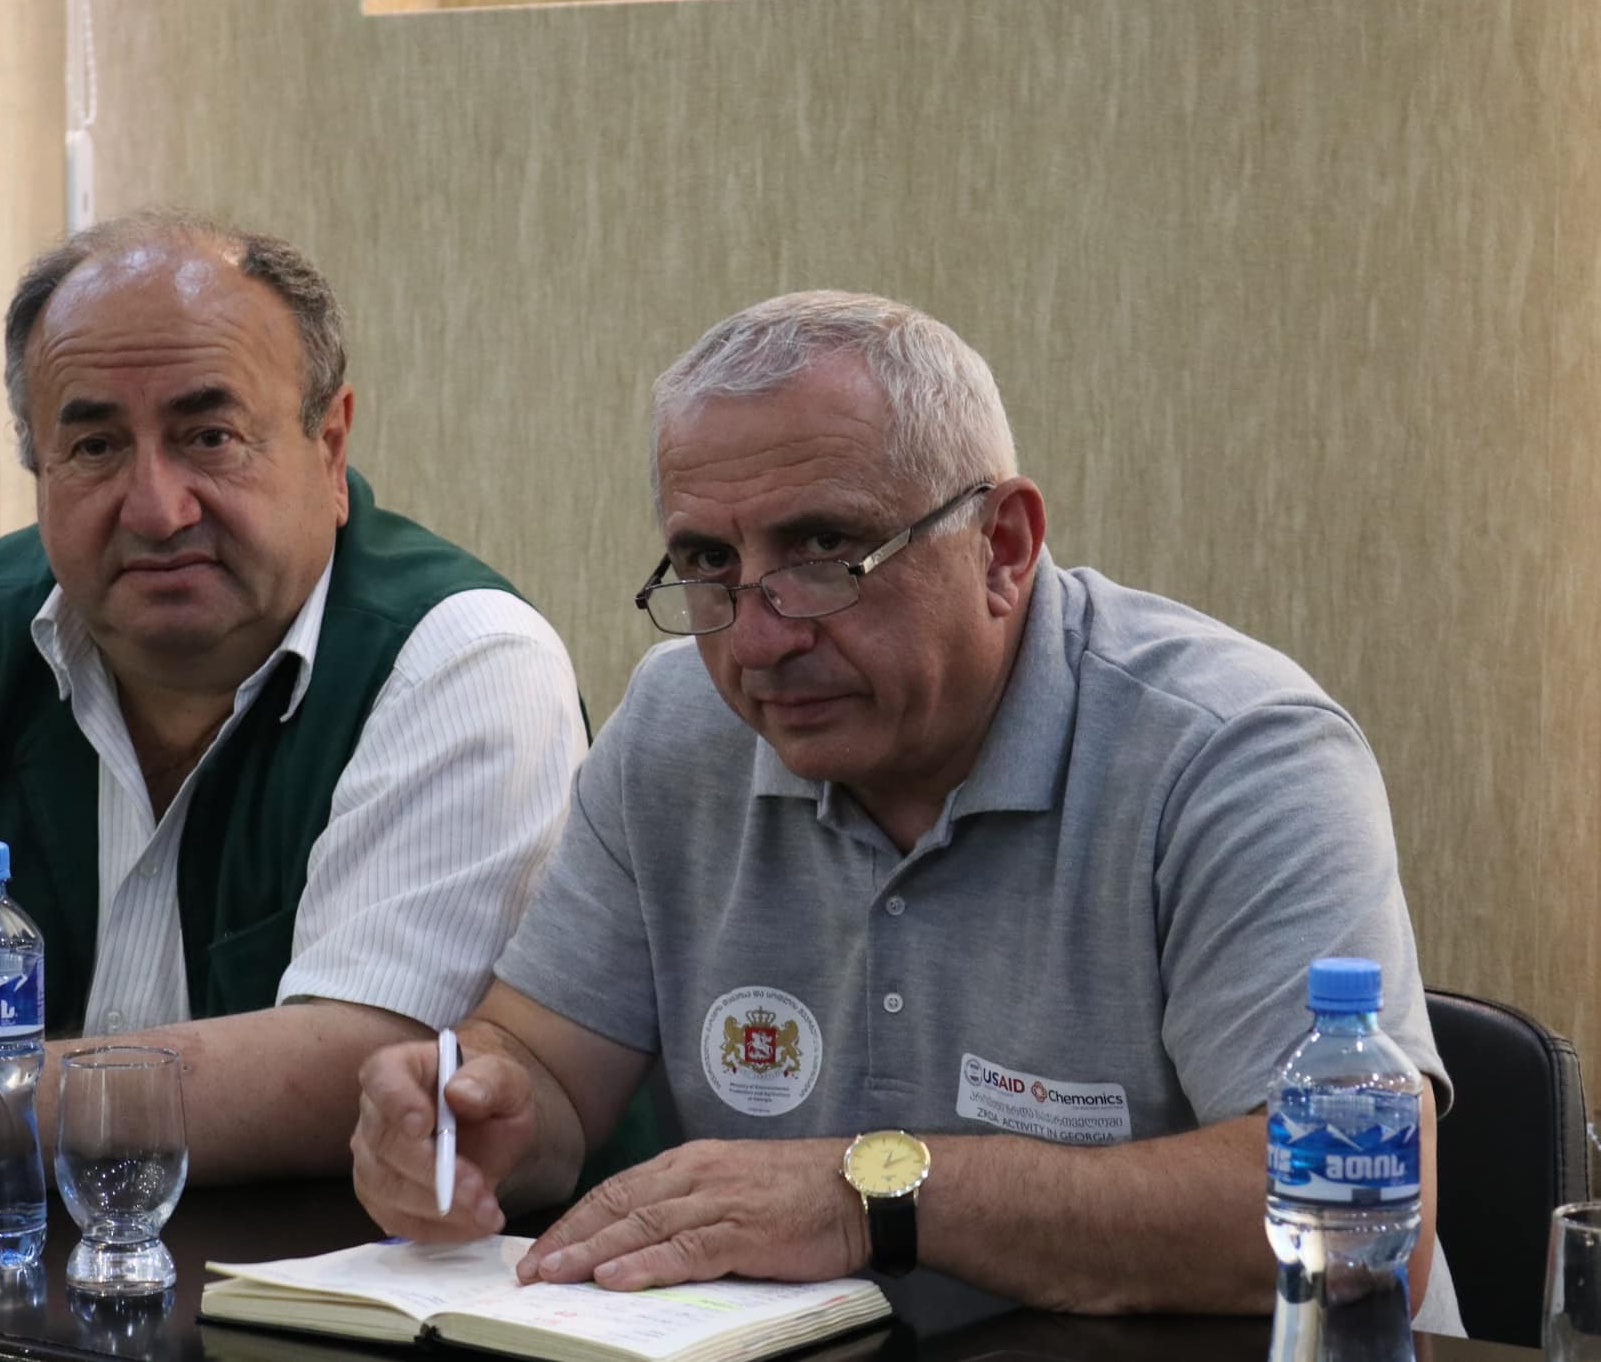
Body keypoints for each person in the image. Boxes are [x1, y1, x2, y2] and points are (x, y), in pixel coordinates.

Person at [350, 290, 1462, 1331]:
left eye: (823, 550)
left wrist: (868, 1196)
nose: (758, 638)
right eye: (709, 562)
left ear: (1003, 547)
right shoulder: (679, 727)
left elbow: (1360, 1224)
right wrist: (471, 1114)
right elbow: (542, 1066)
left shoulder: (1234, 751)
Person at [0, 211, 587, 1203]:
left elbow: (371, 1068)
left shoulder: (461, 659)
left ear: (329, 444)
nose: (156, 508)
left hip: (320, 1282)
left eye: (210, 437)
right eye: (95, 445)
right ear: (39, 469)